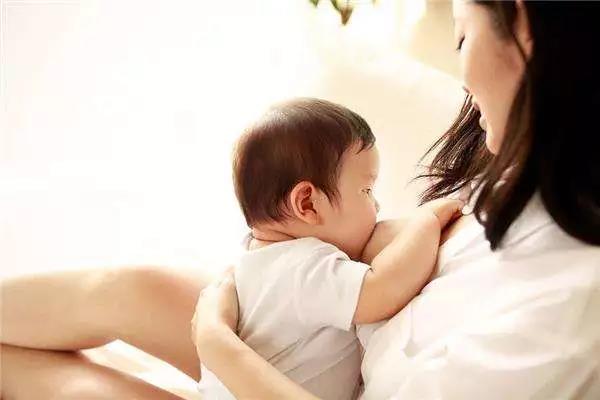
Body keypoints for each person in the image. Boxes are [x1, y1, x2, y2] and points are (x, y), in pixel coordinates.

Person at [2, 0, 599, 399]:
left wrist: (219, 346)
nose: (461, 70)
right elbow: (394, 250)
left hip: (330, 380)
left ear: (523, 23)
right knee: (131, 288)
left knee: (84, 389)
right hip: (336, 340)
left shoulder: (570, 310)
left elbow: (381, 284)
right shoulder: (534, 164)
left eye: (463, 35)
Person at [197, 97, 463, 399]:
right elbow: (382, 289)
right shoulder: (303, 266)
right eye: (366, 190)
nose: (377, 205)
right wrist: (427, 222)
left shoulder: (255, 262)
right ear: (308, 204)